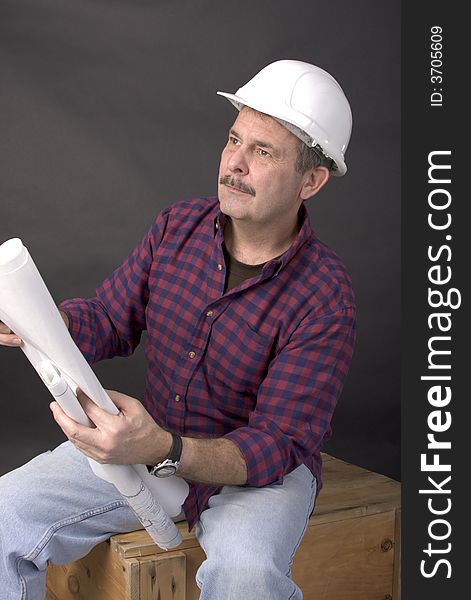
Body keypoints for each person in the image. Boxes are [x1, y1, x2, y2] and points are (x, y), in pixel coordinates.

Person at [0, 59, 356, 599]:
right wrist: (32, 320)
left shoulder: (324, 295)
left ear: (311, 180)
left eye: (262, 152)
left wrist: (165, 448)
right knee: (6, 514)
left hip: (256, 479)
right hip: (147, 446)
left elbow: (277, 444)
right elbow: (109, 320)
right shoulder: (177, 228)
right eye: (233, 139)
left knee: (246, 578)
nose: (234, 163)